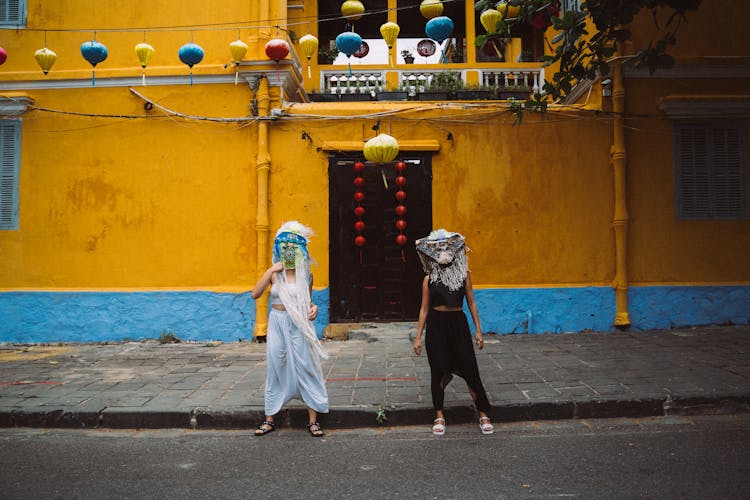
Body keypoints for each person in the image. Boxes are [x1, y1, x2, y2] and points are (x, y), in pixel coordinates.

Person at [412, 229, 493, 436]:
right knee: (438, 370)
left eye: (446, 248)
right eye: (438, 249)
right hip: (436, 326)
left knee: (470, 370)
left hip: (458, 324)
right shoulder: (428, 278)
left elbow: (472, 303)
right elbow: (424, 309)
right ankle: (439, 415)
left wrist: (479, 331)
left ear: (453, 250)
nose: (443, 252)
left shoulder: (463, 275)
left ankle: (483, 414)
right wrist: (418, 337)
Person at [252, 221, 329, 437]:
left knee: (307, 366)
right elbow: (255, 294)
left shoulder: (307, 275)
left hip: (299, 323)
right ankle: (269, 419)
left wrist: (314, 309)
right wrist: (270, 270)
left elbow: (309, 303)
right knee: (276, 365)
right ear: (279, 249)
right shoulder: (276, 274)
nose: (288, 251)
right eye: (284, 247)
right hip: (277, 321)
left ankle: (313, 421)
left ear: (300, 251)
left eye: (293, 248)